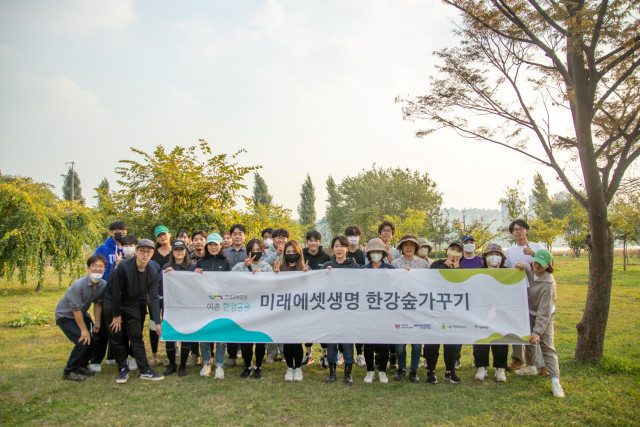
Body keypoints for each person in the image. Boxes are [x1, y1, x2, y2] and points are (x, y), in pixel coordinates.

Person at [103, 239, 164, 383]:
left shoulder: (152, 271)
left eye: (148, 252)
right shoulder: (123, 267)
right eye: (142, 251)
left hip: (133, 303)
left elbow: (153, 297)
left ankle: (145, 370)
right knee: (117, 335)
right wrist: (116, 315)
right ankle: (122, 369)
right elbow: (116, 292)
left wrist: (157, 321)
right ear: (136, 251)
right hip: (113, 302)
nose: (145, 254)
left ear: (152, 253)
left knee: (136, 336)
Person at [514, 250, 565, 398]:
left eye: (541, 265)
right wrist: (519, 265)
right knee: (528, 340)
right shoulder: (530, 269)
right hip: (529, 312)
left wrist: (537, 332)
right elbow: (523, 267)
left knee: (547, 346)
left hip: (545, 315)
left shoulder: (549, 284)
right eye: (535, 262)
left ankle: (555, 381)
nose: (536, 266)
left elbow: (544, 312)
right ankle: (531, 366)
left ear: (548, 265)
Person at [56, 255, 108, 382]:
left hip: (82, 314)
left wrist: (97, 323)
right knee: (83, 340)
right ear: (88, 268)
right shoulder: (78, 285)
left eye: (100, 266)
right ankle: (69, 371)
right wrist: (84, 330)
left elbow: (98, 304)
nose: (97, 269)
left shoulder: (102, 285)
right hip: (66, 316)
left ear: (104, 269)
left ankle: (82, 365)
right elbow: (76, 310)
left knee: (95, 339)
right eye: (94, 266)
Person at [504, 219, 543, 371]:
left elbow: (548, 264)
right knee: (517, 323)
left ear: (527, 230)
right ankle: (517, 359)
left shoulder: (537, 247)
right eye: (515, 230)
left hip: (536, 290)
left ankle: (538, 362)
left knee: (535, 325)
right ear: (512, 233)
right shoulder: (510, 251)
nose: (518, 232)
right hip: (517, 292)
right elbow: (506, 271)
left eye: (521, 229)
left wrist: (533, 254)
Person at [320, 236, 360, 385]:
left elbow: (359, 285)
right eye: (336, 246)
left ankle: (348, 373)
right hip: (331, 311)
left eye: (342, 246)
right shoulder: (327, 266)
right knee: (331, 342)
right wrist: (325, 274)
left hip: (348, 311)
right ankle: (332, 372)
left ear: (347, 249)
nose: (339, 249)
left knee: (348, 342)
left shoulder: (354, 267)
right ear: (332, 248)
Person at [232, 239, 274, 380]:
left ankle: (259, 366)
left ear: (262, 251)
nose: (255, 252)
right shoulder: (240, 265)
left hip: (261, 308)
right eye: (252, 250)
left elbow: (273, 285)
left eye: (258, 249)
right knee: (246, 340)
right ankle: (247, 366)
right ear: (248, 251)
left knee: (260, 340)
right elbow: (229, 278)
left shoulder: (266, 267)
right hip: (245, 308)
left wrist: (263, 276)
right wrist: (244, 266)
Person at [424, 241, 464, 384]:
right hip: (435, 309)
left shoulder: (462, 269)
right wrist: (447, 265)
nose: (454, 253)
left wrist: (457, 268)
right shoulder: (437, 264)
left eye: (458, 251)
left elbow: (463, 285)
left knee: (452, 344)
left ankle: (450, 372)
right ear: (447, 251)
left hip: (453, 311)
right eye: (452, 249)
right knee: (432, 343)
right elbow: (433, 279)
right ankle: (431, 372)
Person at [391, 235, 429, 383]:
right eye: (405, 245)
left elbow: (428, 284)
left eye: (411, 245)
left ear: (416, 248)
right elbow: (391, 284)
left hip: (418, 307)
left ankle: (414, 370)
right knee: (400, 343)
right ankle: (401, 368)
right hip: (401, 307)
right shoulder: (395, 264)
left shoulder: (423, 264)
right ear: (401, 248)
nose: (408, 247)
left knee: (416, 342)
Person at [196, 233, 231, 379]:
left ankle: (219, 365)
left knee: (221, 335)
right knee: (205, 333)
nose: (213, 247)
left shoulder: (226, 262)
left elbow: (229, 282)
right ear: (207, 246)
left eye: (215, 244)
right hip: (205, 303)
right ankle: (206, 363)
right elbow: (196, 281)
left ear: (220, 246)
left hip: (221, 304)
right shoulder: (201, 261)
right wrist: (194, 274)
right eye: (210, 244)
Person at [160, 240, 197, 376]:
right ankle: (172, 365)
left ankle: (182, 366)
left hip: (186, 307)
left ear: (186, 251)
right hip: (171, 307)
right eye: (176, 250)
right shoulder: (166, 267)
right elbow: (160, 285)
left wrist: (197, 275)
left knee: (185, 336)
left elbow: (196, 286)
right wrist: (167, 275)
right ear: (173, 252)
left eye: (182, 249)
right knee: (170, 336)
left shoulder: (192, 267)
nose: (179, 252)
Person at [274, 240, 309, 382]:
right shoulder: (280, 268)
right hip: (285, 310)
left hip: (300, 311)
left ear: (299, 253)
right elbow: (275, 289)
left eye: (294, 252)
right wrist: (275, 276)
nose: (291, 254)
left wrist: (307, 275)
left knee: (297, 341)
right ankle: (290, 367)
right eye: (288, 252)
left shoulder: (305, 268)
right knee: (288, 341)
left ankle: (298, 368)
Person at [473, 243, 509, 382]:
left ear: (502, 258)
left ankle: (500, 368)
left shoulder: (508, 272)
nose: (494, 257)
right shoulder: (478, 272)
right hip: (482, 310)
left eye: (497, 254)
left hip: (501, 310)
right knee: (481, 337)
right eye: (490, 254)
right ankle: (481, 367)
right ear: (485, 257)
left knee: (500, 338)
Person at [361, 238, 394, 383]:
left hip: (384, 312)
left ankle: (382, 371)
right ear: (368, 254)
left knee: (383, 342)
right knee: (368, 342)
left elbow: (398, 286)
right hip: (368, 311)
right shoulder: (363, 269)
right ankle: (370, 371)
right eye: (373, 251)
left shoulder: (390, 269)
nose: (375, 254)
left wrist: (394, 276)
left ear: (383, 253)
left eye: (378, 251)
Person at [301, 230, 332, 367]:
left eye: (316, 240)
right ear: (307, 242)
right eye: (311, 240)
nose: (313, 243)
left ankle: (324, 355)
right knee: (307, 325)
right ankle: (308, 354)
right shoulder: (301, 255)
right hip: (305, 297)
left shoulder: (326, 257)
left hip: (322, 297)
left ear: (320, 242)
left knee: (323, 325)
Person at [263, 228, 289, 363]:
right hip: (269, 291)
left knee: (285, 322)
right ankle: (272, 353)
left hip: (285, 291)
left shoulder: (290, 251)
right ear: (273, 239)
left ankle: (285, 353)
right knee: (270, 322)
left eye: (283, 237)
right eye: (278, 237)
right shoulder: (265, 252)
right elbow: (262, 265)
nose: (281, 240)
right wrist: (276, 254)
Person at [149, 225, 172, 366]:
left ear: (169, 235)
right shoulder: (152, 253)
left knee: (169, 322)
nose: (162, 237)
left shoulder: (175, 252)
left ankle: (170, 355)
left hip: (171, 294)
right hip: (154, 293)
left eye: (164, 234)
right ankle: (154, 355)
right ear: (156, 239)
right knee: (153, 323)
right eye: (159, 235)